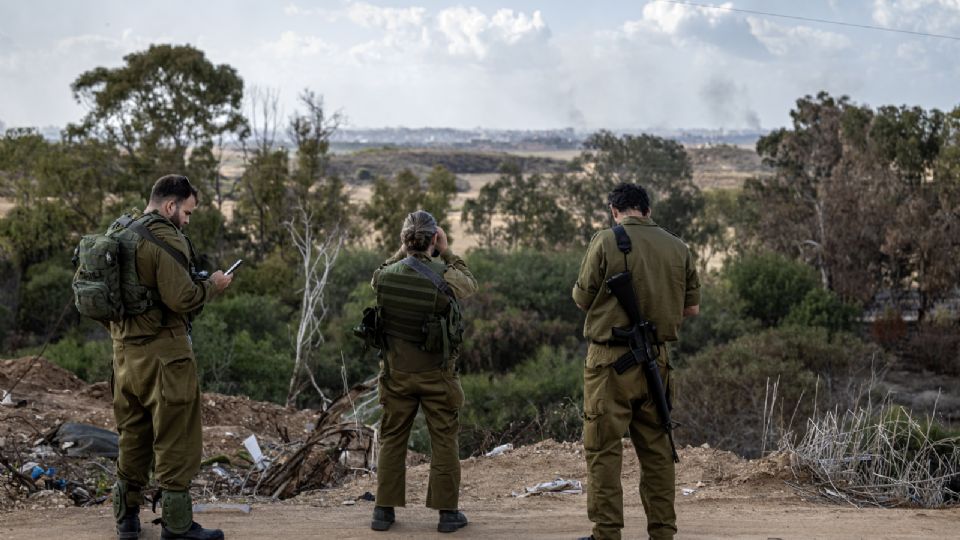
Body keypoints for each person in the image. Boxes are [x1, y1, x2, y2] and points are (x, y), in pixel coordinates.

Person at [572, 183, 700, 540]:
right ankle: (662, 532)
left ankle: (607, 533)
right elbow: (691, 308)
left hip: (610, 361)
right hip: (656, 360)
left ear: (615, 211)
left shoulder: (606, 240)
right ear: (648, 209)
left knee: (603, 448)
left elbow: (581, 299)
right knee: (658, 451)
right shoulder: (678, 246)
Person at [111, 175, 232, 540]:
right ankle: (178, 528)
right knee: (176, 437)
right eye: (187, 212)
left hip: (123, 355)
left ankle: (126, 519)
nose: (188, 220)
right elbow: (182, 298)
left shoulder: (120, 230)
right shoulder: (164, 237)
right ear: (170, 206)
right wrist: (213, 285)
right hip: (165, 356)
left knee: (132, 434)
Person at [369, 210, 478, 534]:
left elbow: (379, 273)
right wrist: (446, 251)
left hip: (397, 374)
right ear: (433, 238)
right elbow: (469, 284)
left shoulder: (385, 275)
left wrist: (404, 250)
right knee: (444, 440)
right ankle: (447, 515)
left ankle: (383, 512)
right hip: (437, 375)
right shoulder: (445, 275)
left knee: (391, 439)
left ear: (404, 241)